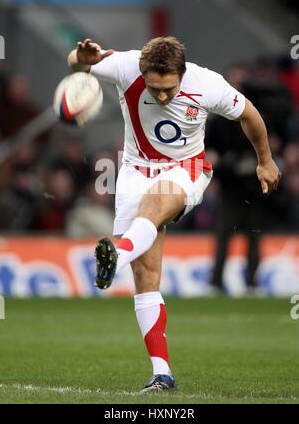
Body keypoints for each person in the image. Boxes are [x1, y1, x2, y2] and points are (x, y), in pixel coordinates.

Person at [67, 37, 281, 393]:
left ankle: (117, 254)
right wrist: (80, 57)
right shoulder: (126, 65)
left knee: (155, 203)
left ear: (182, 74)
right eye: (155, 88)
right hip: (136, 168)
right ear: (142, 73)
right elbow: (77, 64)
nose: (162, 96)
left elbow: (249, 114)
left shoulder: (207, 84)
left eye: (169, 89)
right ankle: (162, 373)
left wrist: (265, 160)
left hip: (187, 167)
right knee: (146, 274)